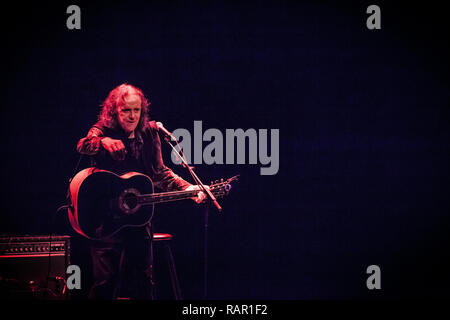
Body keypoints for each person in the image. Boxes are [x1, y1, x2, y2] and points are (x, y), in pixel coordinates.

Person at [76, 83, 205, 299]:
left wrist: (188, 188)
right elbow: (82, 144)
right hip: (106, 218)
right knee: (106, 283)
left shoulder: (149, 132)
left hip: (138, 217)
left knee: (144, 280)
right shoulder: (102, 129)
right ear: (114, 111)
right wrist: (103, 142)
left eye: (136, 110)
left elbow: (160, 172)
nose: (131, 116)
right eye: (125, 110)